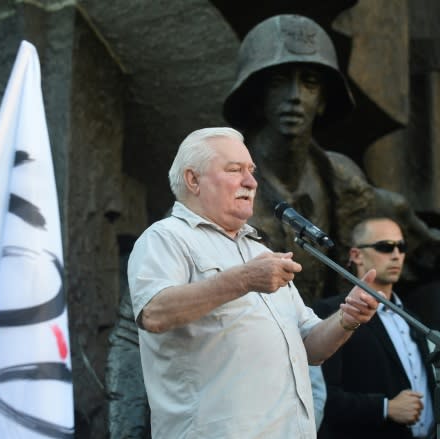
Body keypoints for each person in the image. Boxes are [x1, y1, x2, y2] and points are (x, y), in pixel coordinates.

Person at [127, 126, 380, 438]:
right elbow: (154, 312)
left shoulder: (260, 251)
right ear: (193, 180)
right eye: (235, 170)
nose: (251, 182)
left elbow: (311, 347)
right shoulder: (166, 237)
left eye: (251, 171)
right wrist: (244, 279)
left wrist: (346, 318)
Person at [222, 14, 440, 305]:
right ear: (257, 95)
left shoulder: (343, 179)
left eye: (309, 83)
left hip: (330, 339)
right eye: (278, 82)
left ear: (324, 99)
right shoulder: (220, 181)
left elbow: (426, 251)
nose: (295, 97)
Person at [312, 216, 436, 439]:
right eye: (385, 247)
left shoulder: (412, 318)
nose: (396, 255)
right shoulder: (330, 312)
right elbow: (320, 395)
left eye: (401, 247)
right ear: (356, 255)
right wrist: (384, 407)